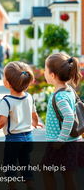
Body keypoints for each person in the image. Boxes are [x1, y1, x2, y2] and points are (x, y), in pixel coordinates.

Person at [0, 61, 41, 190]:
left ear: (8, 83)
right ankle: (30, 185)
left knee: (9, 164)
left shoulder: (7, 101)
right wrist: (35, 122)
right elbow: (34, 114)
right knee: (25, 162)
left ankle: (12, 187)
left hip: (13, 139)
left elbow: (2, 121)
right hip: (28, 137)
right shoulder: (29, 97)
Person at [41, 53, 82, 190]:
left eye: (45, 70)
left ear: (52, 75)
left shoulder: (60, 97)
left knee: (46, 170)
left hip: (60, 144)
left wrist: (60, 140)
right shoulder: (68, 89)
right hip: (71, 141)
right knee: (68, 174)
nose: (44, 73)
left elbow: (69, 117)